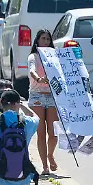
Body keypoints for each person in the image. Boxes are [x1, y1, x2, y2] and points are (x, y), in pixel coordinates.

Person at [26, 29, 59, 174]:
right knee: (41, 132)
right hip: (37, 95)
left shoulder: (55, 56)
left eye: (48, 39)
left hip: (52, 96)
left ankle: (50, 154)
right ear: (37, 41)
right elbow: (32, 70)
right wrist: (38, 79)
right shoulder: (33, 56)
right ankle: (44, 165)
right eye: (43, 39)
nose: (46, 42)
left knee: (53, 132)